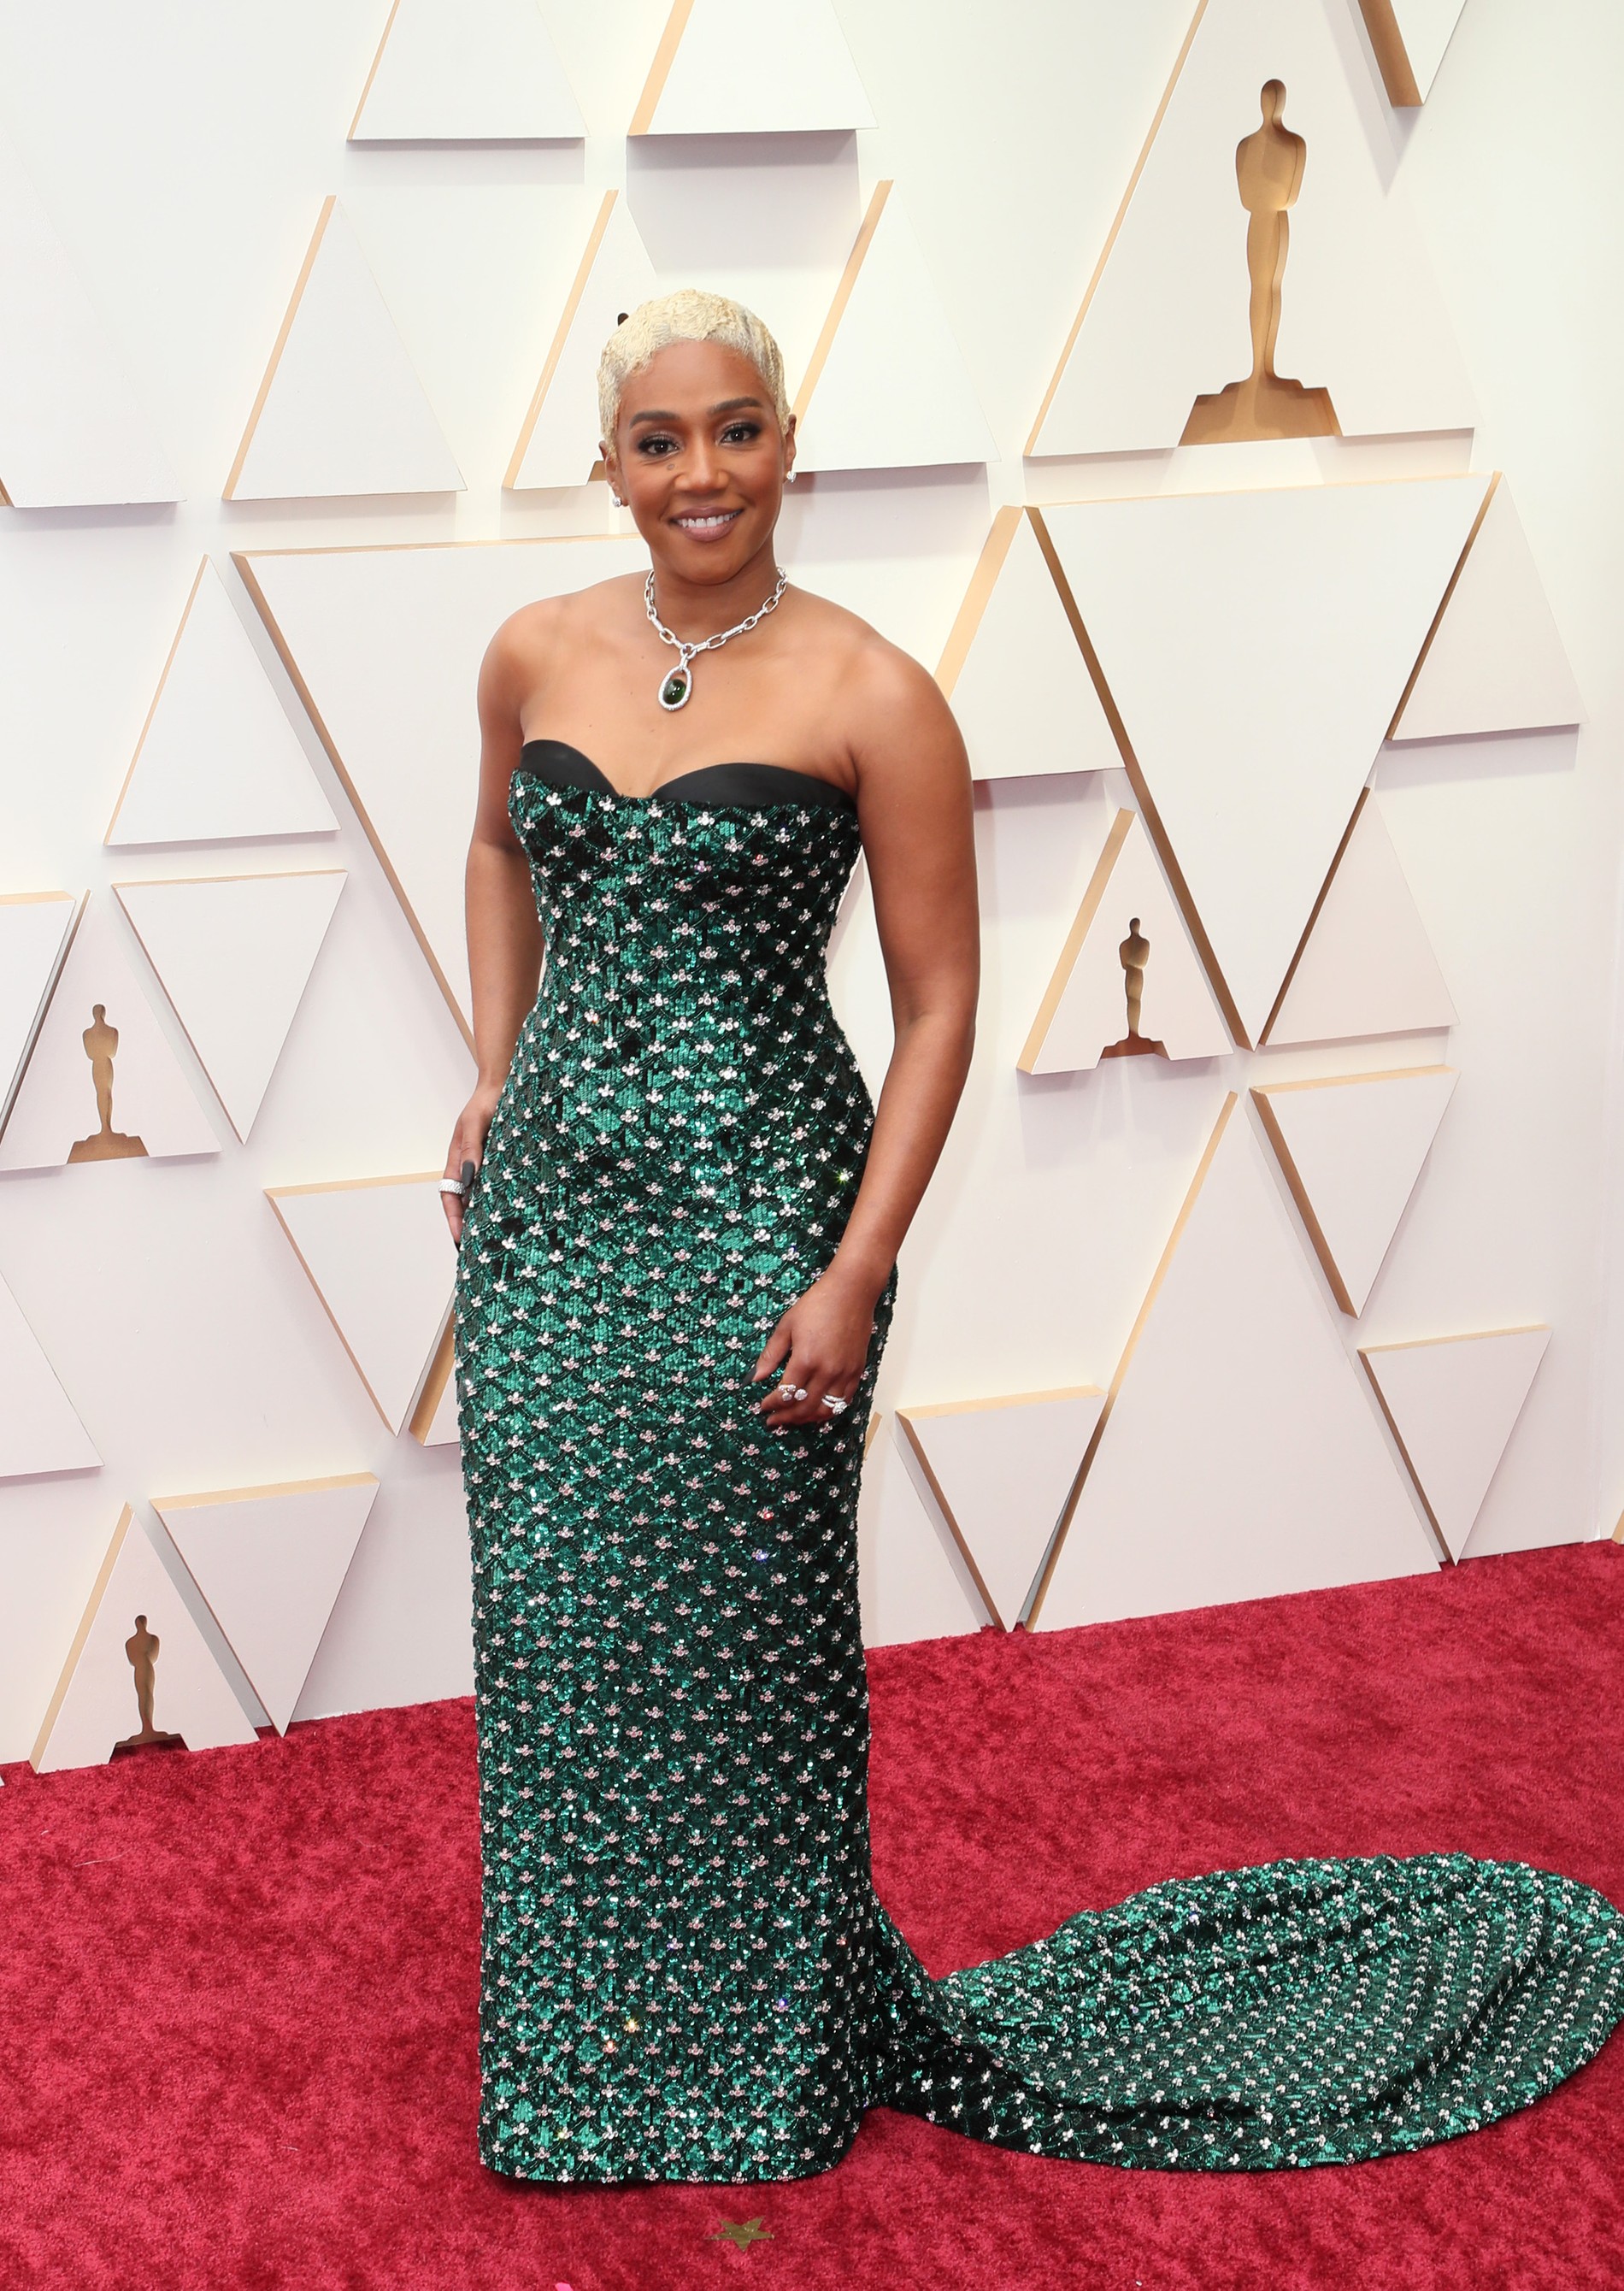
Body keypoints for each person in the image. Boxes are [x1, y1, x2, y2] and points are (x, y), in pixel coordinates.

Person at [444, 290, 1622, 2186]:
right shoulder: (530, 651)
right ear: (608, 463)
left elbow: (937, 1006)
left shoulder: (875, 693)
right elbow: (501, 849)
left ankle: (758, 2067)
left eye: (737, 429)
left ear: (787, 444)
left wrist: (850, 1269)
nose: (700, 473)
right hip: (550, 1226)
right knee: (562, 1643)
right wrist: (497, 1074)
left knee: (748, 1653)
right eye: (659, 441)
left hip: (760, 1214)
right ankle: (582, 2072)